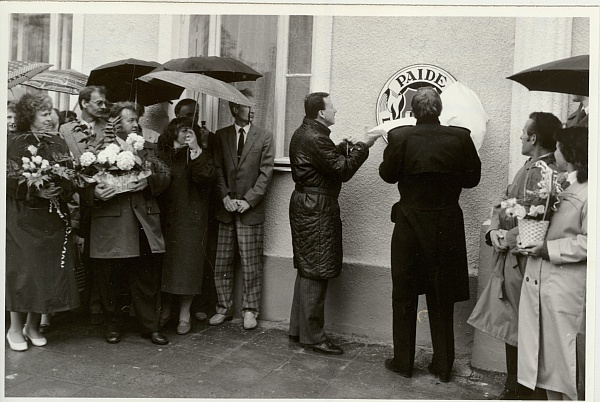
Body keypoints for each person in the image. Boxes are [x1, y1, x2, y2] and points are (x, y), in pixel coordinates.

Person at [379, 87, 481, 382]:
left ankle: (403, 361)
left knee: (405, 292)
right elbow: (472, 180)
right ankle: (443, 364)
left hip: (410, 222)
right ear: (439, 110)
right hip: (447, 222)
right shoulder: (461, 137)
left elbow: (387, 174)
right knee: (442, 293)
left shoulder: (400, 137)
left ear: (413, 111)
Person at [468, 112, 562, 399]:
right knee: (514, 323)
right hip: (510, 255)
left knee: (519, 326)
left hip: (520, 259)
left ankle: (519, 389)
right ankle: (515, 385)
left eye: (524, 132)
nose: (520, 136)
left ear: (534, 138)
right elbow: (506, 202)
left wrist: (503, 238)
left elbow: (535, 219)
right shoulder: (531, 167)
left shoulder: (543, 172)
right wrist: (494, 231)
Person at [288, 92, 378, 355]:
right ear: (321, 113)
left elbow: (323, 163)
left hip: (309, 204)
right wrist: (365, 144)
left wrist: (339, 149)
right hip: (315, 208)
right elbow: (342, 171)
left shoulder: (308, 132)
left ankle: (299, 330)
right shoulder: (315, 136)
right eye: (332, 107)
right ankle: (313, 337)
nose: (335, 110)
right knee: (315, 268)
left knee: (308, 266)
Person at [81, 101, 170, 345]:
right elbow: (81, 183)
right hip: (111, 223)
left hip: (143, 222)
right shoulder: (97, 148)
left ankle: (150, 326)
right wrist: (94, 194)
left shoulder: (147, 147)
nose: (136, 125)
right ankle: (113, 325)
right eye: (131, 120)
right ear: (116, 123)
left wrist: (149, 182)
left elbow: (166, 175)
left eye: (137, 120)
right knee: (110, 279)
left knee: (145, 277)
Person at [517, 127, 588, 401]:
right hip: (543, 284)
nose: (553, 153)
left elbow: (590, 241)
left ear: (570, 153)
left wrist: (549, 249)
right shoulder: (559, 184)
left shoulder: (588, 191)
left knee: (563, 367)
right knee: (546, 366)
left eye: (558, 148)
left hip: (564, 287)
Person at [6, 93, 80, 351]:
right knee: (24, 270)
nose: (50, 117)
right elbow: (7, 178)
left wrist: (62, 187)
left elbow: (70, 175)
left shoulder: (58, 142)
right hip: (24, 216)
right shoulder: (13, 142)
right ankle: (15, 328)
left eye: (51, 112)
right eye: (43, 113)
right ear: (29, 117)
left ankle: (33, 326)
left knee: (47, 270)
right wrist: (34, 190)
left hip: (52, 216)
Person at [210, 88, 274, 330]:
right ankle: (223, 308)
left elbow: (266, 173)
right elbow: (217, 169)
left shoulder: (264, 136)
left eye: (254, 105)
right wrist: (225, 196)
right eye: (248, 106)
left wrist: (248, 200)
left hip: (250, 210)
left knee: (251, 263)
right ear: (235, 108)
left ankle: (250, 310)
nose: (253, 110)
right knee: (222, 261)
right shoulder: (221, 136)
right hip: (226, 210)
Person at [156, 118, 216, 335]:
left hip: (189, 221)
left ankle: (184, 314)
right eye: (183, 130)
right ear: (173, 133)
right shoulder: (163, 154)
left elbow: (205, 178)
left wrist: (196, 150)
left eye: (191, 130)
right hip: (165, 220)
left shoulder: (199, 155)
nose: (187, 134)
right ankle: (166, 311)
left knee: (187, 268)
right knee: (165, 267)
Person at [60, 85, 110, 159]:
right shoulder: (65, 130)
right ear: (84, 103)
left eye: (104, 103)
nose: (103, 107)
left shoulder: (108, 128)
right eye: (99, 103)